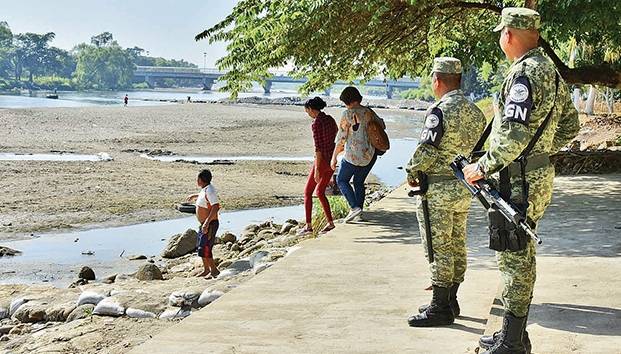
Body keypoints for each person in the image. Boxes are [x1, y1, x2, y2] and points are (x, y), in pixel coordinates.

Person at [462, 8, 580, 353]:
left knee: (515, 257)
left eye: (501, 33)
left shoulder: (525, 73)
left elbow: (512, 136)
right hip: (534, 175)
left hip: (518, 180)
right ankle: (513, 334)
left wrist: (482, 166)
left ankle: (512, 342)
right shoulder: (553, 73)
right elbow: (571, 127)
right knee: (517, 252)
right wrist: (540, 152)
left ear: (508, 35)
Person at [405, 57, 486, 327]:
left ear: (437, 80)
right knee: (457, 242)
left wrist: (411, 171)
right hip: (464, 188)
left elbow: (427, 150)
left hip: (437, 189)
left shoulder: (439, 111)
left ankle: (440, 308)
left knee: (438, 246)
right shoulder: (476, 113)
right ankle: (451, 299)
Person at [330, 86, 380, 222]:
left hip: (352, 155)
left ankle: (354, 208)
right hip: (369, 155)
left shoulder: (347, 114)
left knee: (341, 180)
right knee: (358, 182)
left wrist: (334, 158)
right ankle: (359, 213)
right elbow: (381, 126)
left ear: (347, 100)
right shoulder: (369, 112)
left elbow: (341, 138)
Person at [298, 97, 338, 235]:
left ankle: (308, 226)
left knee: (308, 192)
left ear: (311, 109)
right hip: (331, 159)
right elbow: (336, 135)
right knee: (320, 192)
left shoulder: (316, 123)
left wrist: (316, 169)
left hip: (321, 161)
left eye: (307, 111)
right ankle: (330, 223)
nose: (308, 114)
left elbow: (318, 148)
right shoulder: (330, 119)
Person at [186, 169, 221, 278]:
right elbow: (204, 197)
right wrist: (194, 196)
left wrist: (206, 223)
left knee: (205, 247)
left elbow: (215, 207)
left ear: (202, 180)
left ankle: (214, 270)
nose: (197, 180)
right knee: (201, 247)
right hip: (204, 224)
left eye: (198, 179)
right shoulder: (205, 189)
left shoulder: (210, 190)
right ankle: (206, 269)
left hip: (209, 224)